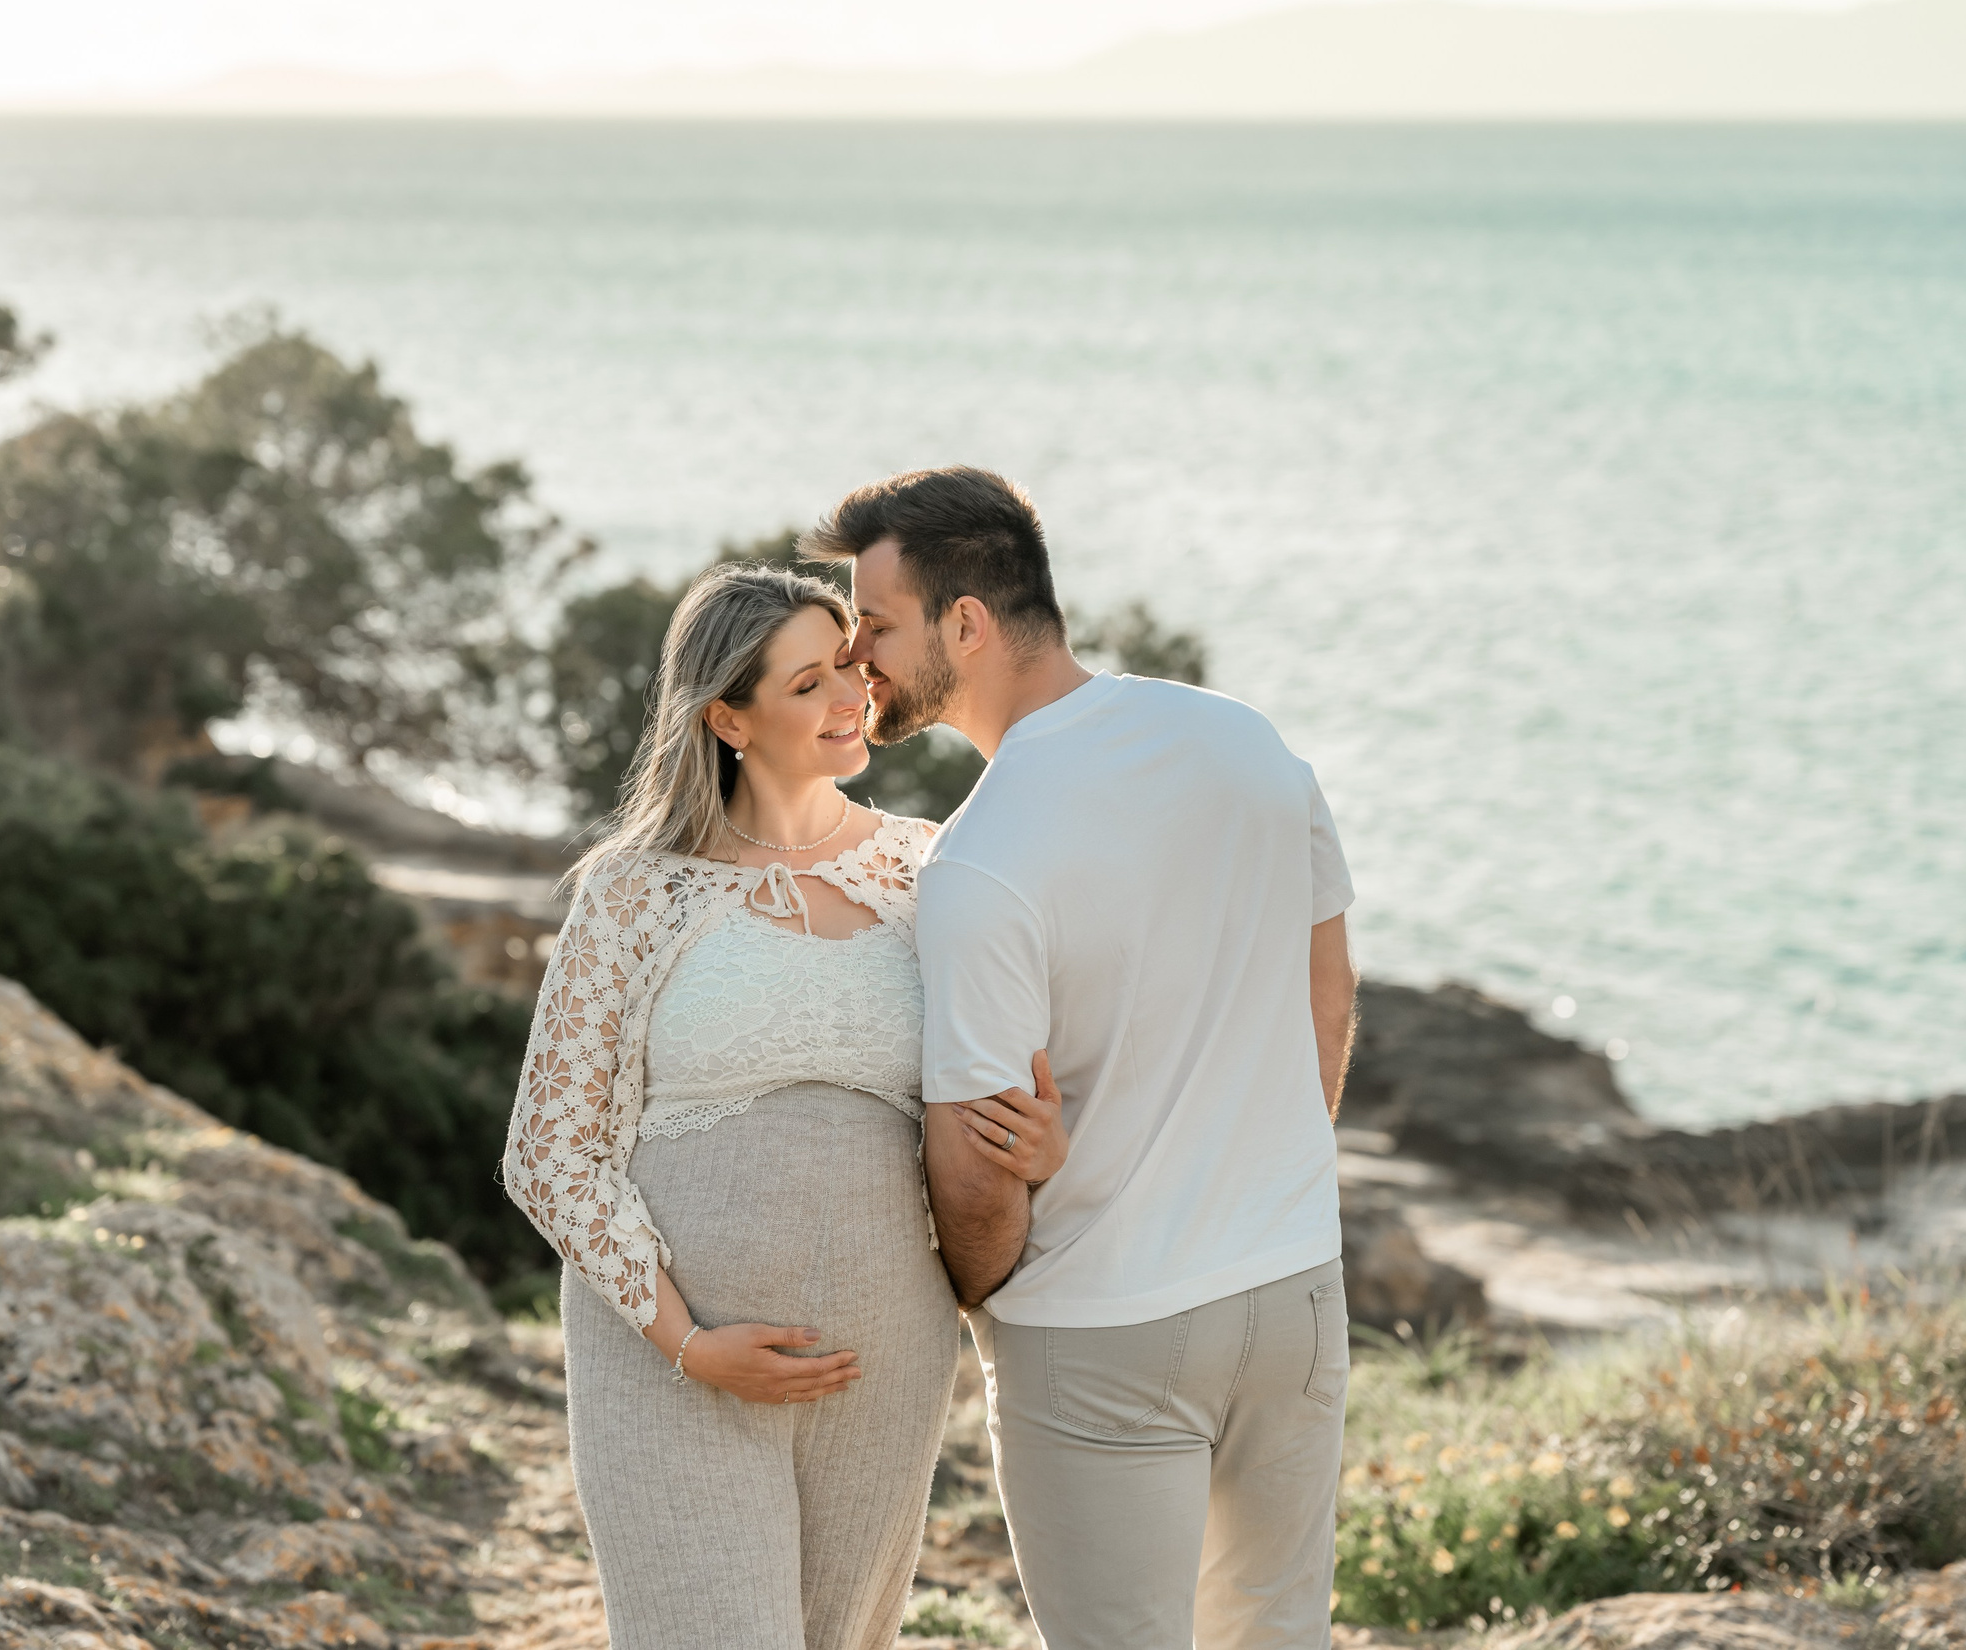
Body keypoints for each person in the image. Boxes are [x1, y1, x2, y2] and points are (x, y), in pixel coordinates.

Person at [801, 467, 1361, 1650]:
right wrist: (1262, 1181)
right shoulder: (1243, 740)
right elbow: (1326, 992)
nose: (857, 658)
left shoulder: (981, 859)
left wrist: (990, 1295)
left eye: (877, 625)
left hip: (1102, 1328)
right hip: (1294, 1288)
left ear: (966, 623)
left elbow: (973, 1164)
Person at [500, 563, 1065, 1650]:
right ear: (729, 717)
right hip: (672, 1363)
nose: (853, 696)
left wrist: (1040, 1145)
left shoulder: (932, 868)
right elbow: (550, 1153)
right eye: (808, 684)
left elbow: (1010, 1076)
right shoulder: (636, 889)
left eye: (848, 666)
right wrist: (688, 1343)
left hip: (885, 1359)